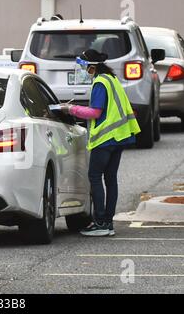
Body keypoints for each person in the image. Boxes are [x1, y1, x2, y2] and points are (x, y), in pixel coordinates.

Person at [60, 49, 141, 237]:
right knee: (110, 178)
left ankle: (100, 223)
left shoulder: (100, 83)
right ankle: (108, 222)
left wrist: (70, 108)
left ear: (91, 67)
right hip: (120, 136)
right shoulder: (111, 80)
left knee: (95, 177)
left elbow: (95, 112)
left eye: (82, 66)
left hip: (105, 139)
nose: (80, 69)